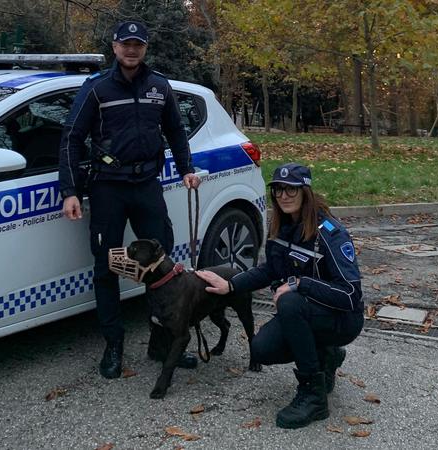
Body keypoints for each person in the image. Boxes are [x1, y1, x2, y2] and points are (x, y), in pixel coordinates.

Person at [58, 20, 201, 379]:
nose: (132, 50)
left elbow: (175, 130)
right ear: (115, 47)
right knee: (106, 268)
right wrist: (70, 190)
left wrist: (186, 168)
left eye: (138, 44)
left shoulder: (159, 86)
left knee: (162, 268)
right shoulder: (96, 88)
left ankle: (161, 343)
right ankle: (114, 346)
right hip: (108, 187)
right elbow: (72, 138)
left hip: (147, 185)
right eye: (126, 44)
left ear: (145, 48)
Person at [196, 162, 364, 429]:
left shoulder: (330, 234)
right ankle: (327, 355)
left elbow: (351, 295)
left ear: (305, 192)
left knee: (290, 301)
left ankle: (313, 396)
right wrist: (231, 285)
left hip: (342, 318)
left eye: (291, 190)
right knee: (261, 349)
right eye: (278, 190)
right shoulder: (281, 227)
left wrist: (301, 284)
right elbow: (269, 270)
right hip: (307, 311)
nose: (283, 196)